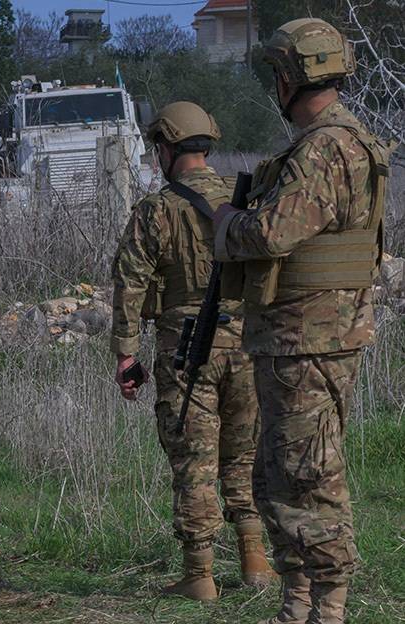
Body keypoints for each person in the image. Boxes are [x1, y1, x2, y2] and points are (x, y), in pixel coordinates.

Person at [211, 18, 391, 624]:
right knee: (280, 474)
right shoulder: (342, 142)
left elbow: (271, 232)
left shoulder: (324, 148)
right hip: (301, 336)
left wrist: (222, 224)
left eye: (276, 75)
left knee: (308, 476)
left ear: (289, 77)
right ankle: (300, 603)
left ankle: (327, 606)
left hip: (308, 338)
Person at [110, 101, 275, 601]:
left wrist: (125, 353)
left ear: (165, 147)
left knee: (195, 460)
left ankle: (200, 574)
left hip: (187, 348)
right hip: (247, 344)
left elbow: (129, 283)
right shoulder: (246, 201)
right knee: (244, 455)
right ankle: (255, 559)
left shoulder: (157, 209)